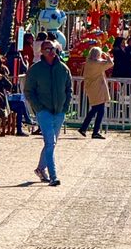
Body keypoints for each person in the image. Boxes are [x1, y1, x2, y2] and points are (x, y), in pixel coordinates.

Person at [24, 38, 72, 186]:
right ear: (42, 52)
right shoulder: (35, 69)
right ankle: (53, 176)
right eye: (47, 49)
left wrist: (65, 107)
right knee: (50, 142)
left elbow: (68, 89)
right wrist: (38, 107)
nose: (51, 52)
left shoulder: (63, 68)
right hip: (43, 110)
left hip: (59, 111)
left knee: (52, 143)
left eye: (52, 49)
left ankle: (40, 169)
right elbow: (28, 91)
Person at [78, 45, 112, 138]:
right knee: (97, 110)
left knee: (96, 110)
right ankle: (92, 131)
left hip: (92, 89)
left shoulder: (88, 62)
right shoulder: (97, 64)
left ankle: (86, 129)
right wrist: (107, 56)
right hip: (97, 89)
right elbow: (110, 64)